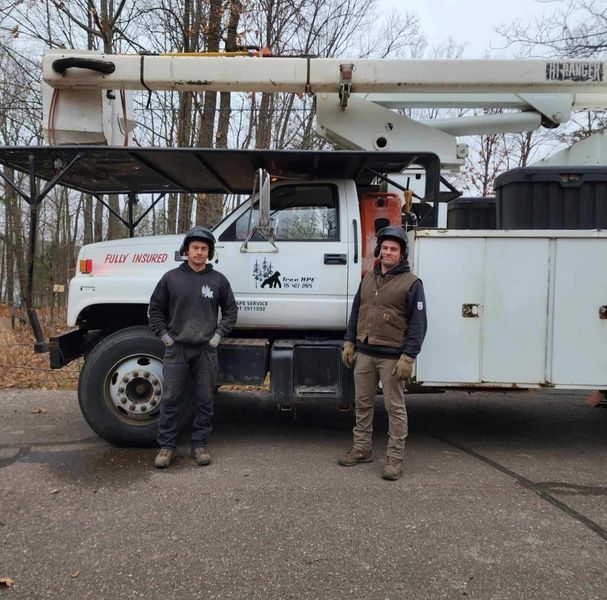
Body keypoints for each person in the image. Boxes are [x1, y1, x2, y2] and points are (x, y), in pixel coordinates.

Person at [338, 226, 427, 481]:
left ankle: (394, 459)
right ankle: (362, 449)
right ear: (379, 250)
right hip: (364, 353)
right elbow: (357, 311)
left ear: (402, 254)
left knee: (394, 408)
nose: (388, 252)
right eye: (385, 248)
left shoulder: (412, 283)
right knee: (362, 404)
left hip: (392, 356)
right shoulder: (368, 277)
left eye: (394, 249)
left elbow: (419, 324)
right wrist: (349, 342)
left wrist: (408, 357)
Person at [148, 226, 238, 469]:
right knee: (170, 398)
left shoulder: (218, 280)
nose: (199, 252)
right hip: (176, 348)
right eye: (195, 248)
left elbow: (231, 311)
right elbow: (154, 309)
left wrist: (218, 335)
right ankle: (167, 447)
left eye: (204, 249)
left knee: (205, 399)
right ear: (186, 250)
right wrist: (165, 337)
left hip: (206, 350)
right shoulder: (171, 278)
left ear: (209, 253)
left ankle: (199, 445)